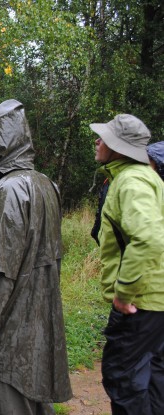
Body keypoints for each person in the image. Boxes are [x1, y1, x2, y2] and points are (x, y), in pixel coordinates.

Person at [0, 99, 72, 414]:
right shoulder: (46, 185)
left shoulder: (5, 194)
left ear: (2, 145)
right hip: (39, 335)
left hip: (8, 344)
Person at [90, 114, 164, 415]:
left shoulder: (131, 181)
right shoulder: (146, 177)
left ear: (119, 147)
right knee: (153, 377)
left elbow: (149, 239)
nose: (97, 141)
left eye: (104, 138)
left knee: (123, 377)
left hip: (141, 302)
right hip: (155, 301)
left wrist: (123, 293)